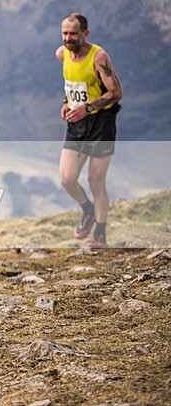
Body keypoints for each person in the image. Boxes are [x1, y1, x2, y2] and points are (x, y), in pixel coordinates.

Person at [55, 13, 123, 248]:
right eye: (65, 33)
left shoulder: (98, 57)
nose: (68, 38)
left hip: (101, 123)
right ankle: (87, 209)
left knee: (95, 181)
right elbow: (72, 83)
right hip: (77, 123)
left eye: (73, 34)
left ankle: (100, 234)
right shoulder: (62, 54)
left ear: (85, 33)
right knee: (66, 178)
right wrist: (67, 103)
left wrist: (88, 107)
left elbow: (116, 93)